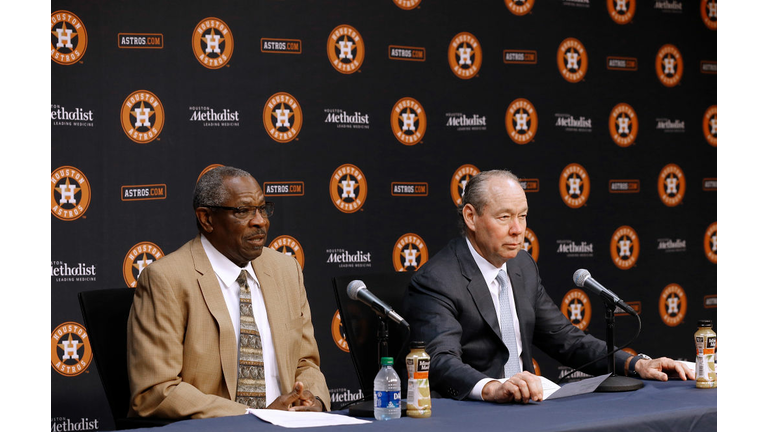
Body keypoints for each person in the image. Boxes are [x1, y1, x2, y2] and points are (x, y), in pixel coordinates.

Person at [404, 170, 693, 404]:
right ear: (471, 217)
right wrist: (492, 387)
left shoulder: (522, 267)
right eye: (504, 217)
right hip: (473, 412)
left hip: (529, 406)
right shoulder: (438, 280)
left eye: (523, 215)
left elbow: (565, 339)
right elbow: (439, 361)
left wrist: (636, 364)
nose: (518, 229)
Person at [127, 166, 330, 419]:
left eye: (262, 208)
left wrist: (313, 399)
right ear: (206, 219)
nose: (260, 221)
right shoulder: (167, 279)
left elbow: (305, 362)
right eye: (243, 211)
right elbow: (156, 391)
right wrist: (254, 416)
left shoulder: (286, 270)